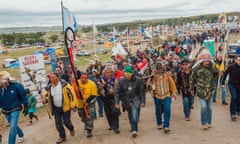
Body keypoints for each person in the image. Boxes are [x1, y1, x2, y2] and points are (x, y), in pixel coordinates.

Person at [43, 73, 78, 144]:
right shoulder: (49, 87)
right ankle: (62, 136)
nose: (51, 79)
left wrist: (73, 104)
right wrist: (45, 100)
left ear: (57, 78)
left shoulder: (65, 85)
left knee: (66, 121)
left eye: (53, 77)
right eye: (51, 78)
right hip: (56, 108)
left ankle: (71, 128)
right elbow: (47, 96)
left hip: (66, 107)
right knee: (58, 123)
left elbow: (72, 95)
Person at [189, 49, 217, 130]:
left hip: (210, 91)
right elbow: (192, 79)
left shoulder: (212, 68)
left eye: (208, 60)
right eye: (205, 60)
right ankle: (204, 123)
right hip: (201, 91)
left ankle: (209, 122)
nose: (207, 62)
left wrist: (215, 66)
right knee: (204, 107)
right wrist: (192, 89)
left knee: (209, 107)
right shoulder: (197, 69)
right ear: (202, 60)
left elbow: (217, 75)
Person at [115, 66, 145, 138]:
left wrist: (142, 101)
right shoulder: (121, 81)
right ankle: (133, 126)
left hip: (136, 100)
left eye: (129, 75)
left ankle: (134, 130)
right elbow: (117, 92)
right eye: (126, 75)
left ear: (132, 74)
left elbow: (141, 92)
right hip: (126, 101)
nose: (128, 76)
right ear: (124, 74)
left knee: (135, 115)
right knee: (130, 116)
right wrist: (117, 102)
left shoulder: (138, 80)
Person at [0, 71, 28, 144]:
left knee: (12, 127)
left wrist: (26, 106)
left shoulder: (16, 85)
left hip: (15, 108)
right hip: (5, 110)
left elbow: (23, 96)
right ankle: (21, 134)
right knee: (13, 125)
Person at [150, 61, 177, 133]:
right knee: (158, 111)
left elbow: (172, 84)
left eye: (160, 69)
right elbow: (148, 86)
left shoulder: (167, 75)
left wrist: (174, 93)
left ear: (163, 68)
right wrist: (151, 80)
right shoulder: (153, 76)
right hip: (157, 96)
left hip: (166, 95)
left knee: (167, 109)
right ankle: (159, 123)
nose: (159, 70)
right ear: (156, 69)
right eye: (158, 69)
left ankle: (166, 126)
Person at [99, 66, 120, 134]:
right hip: (105, 98)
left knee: (115, 112)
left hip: (113, 97)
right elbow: (98, 90)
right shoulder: (101, 80)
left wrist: (114, 91)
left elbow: (118, 89)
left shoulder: (115, 79)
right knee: (108, 113)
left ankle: (116, 127)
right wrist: (101, 87)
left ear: (112, 73)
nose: (108, 74)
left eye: (110, 72)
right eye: (107, 72)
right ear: (104, 73)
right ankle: (111, 125)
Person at [77, 73, 98, 138]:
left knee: (89, 116)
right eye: (82, 78)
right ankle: (86, 123)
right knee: (82, 115)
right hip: (80, 103)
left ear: (87, 78)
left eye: (85, 78)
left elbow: (94, 95)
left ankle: (89, 129)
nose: (84, 79)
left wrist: (87, 100)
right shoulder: (77, 83)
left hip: (89, 103)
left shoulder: (92, 84)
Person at [221, 54, 240, 121]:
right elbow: (225, 74)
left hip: (239, 85)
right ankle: (233, 114)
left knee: (238, 98)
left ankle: (238, 110)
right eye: (239, 60)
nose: (239, 61)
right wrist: (223, 83)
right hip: (232, 84)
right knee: (234, 97)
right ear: (236, 60)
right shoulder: (231, 67)